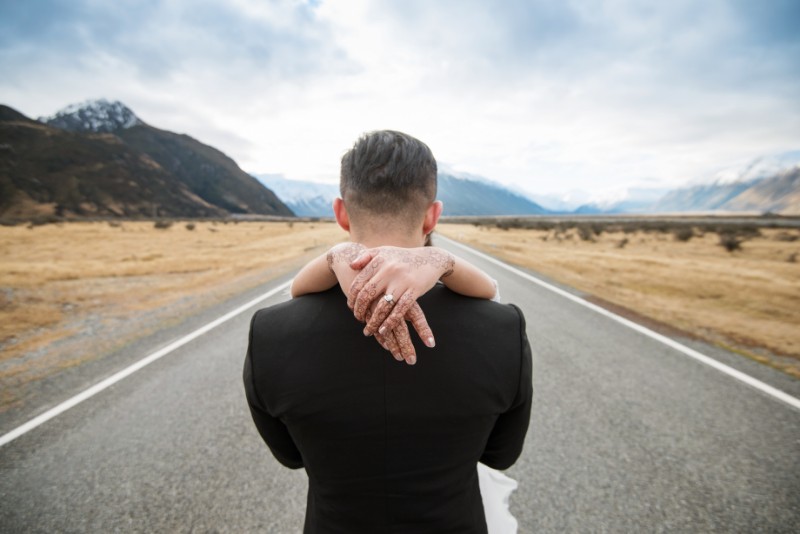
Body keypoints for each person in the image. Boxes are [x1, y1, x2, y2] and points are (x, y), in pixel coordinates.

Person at [244, 130, 532, 533]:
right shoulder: (503, 328)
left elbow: (292, 456)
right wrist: (445, 260)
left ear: (341, 213)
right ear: (433, 215)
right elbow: (500, 455)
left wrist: (333, 259)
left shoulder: (269, 332)